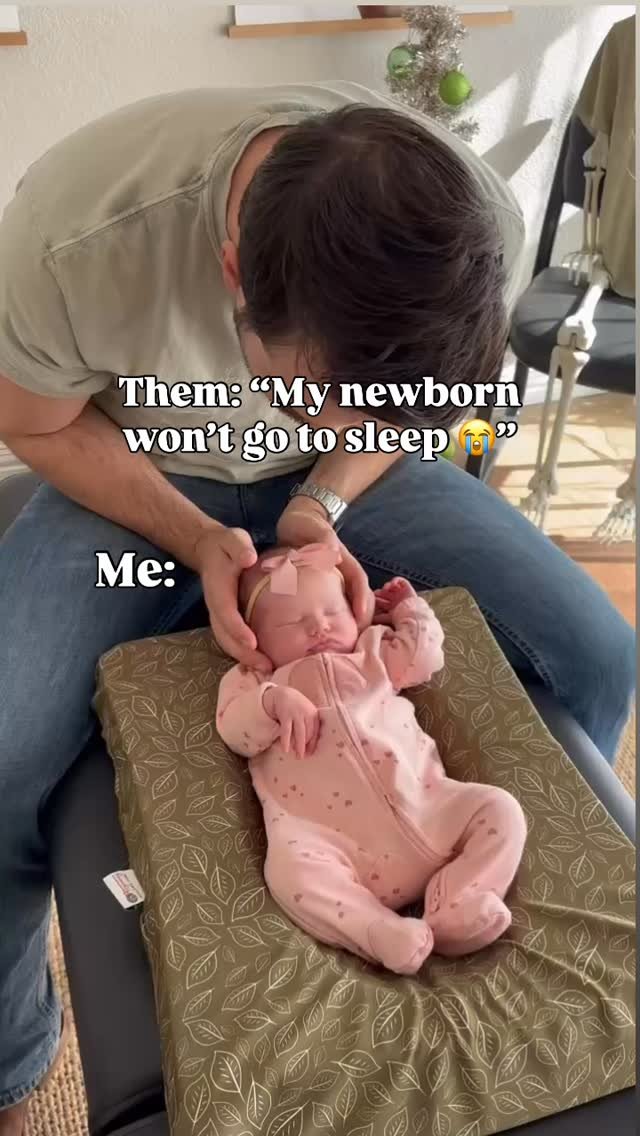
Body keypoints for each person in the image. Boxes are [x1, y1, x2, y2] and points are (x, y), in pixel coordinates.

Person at [0, 81, 633, 1131]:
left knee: (599, 655)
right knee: (2, 748)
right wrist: (195, 538)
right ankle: (12, 1060)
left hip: (348, 489)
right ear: (233, 272)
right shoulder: (75, 239)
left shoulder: (468, 221)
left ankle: (521, 920)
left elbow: (410, 416)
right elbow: (37, 423)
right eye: (315, 392)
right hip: (145, 471)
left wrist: (321, 498)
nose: (333, 417)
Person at [217, 543, 527, 974]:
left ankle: (458, 905)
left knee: (501, 809)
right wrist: (272, 702)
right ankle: (379, 931)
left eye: (332, 611)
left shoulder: (373, 652)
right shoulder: (254, 680)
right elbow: (235, 730)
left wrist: (409, 611)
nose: (319, 627)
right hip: (332, 844)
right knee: (289, 875)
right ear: (255, 640)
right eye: (292, 622)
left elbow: (424, 656)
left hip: (428, 808)